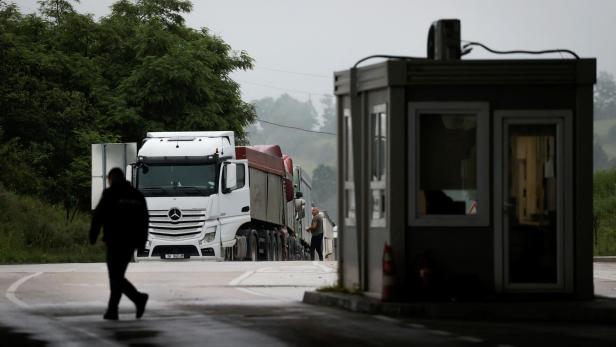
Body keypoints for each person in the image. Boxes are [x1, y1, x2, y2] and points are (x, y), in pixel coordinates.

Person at [90, 167, 149, 320]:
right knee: (117, 276)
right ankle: (112, 310)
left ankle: (137, 298)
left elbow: (98, 216)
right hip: (130, 243)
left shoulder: (110, 194)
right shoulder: (138, 196)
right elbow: (144, 221)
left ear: (111, 179)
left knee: (115, 276)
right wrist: (142, 242)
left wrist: (93, 235)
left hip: (115, 241)